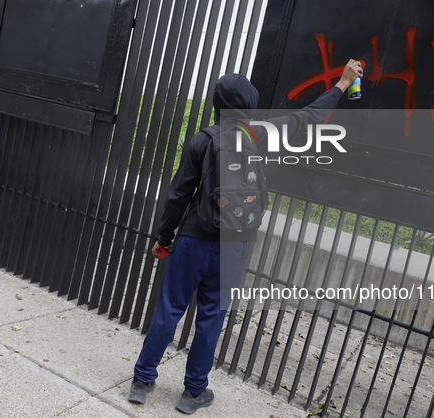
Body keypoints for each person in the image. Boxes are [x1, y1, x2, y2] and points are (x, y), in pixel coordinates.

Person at [128, 60, 363, 414]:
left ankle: (142, 381)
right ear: (250, 105)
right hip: (234, 245)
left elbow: (178, 194)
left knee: (169, 309)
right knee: (211, 316)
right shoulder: (263, 134)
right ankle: (193, 393)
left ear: (216, 104)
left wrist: (164, 236)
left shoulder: (203, 140)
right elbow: (309, 117)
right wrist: (343, 83)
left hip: (193, 238)